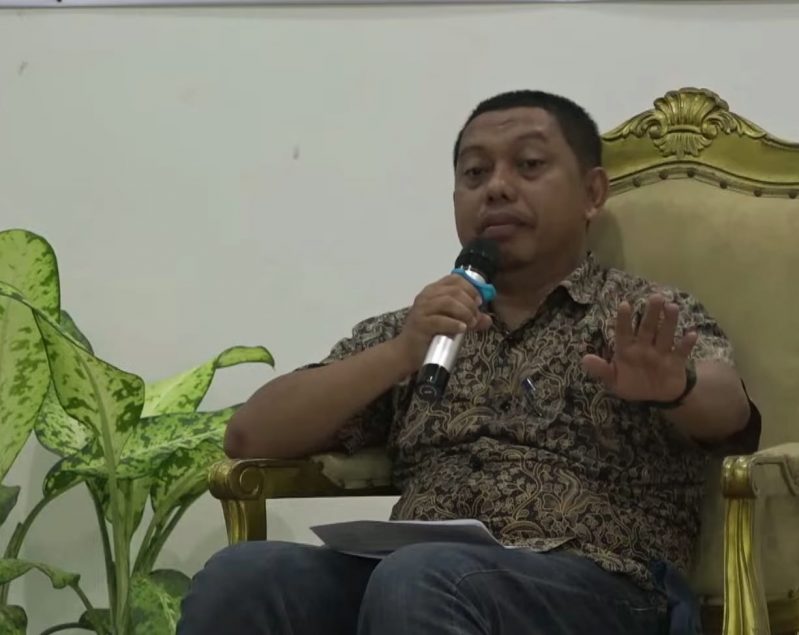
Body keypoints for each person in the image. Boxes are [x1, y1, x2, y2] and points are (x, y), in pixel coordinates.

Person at [177, 90, 760, 635]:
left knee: (423, 578)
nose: (497, 188)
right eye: (475, 174)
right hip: (416, 576)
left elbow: (730, 410)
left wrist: (675, 387)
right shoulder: (422, 327)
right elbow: (251, 435)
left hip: (603, 584)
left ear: (592, 193)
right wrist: (400, 353)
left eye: (529, 165)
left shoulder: (638, 316)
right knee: (244, 576)